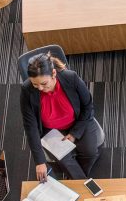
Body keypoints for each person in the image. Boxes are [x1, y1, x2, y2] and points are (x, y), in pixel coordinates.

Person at [20, 52, 102, 181]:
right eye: (35, 84)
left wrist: (75, 133)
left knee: (90, 153)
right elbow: (30, 127)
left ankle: (78, 179)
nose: (40, 88)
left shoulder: (71, 78)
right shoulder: (27, 90)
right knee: (65, 160)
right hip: (51, 130)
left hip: (78, 121)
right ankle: (82, 183)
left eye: (44, 83)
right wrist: (39, 162)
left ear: (53, 74)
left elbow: (87, 106)